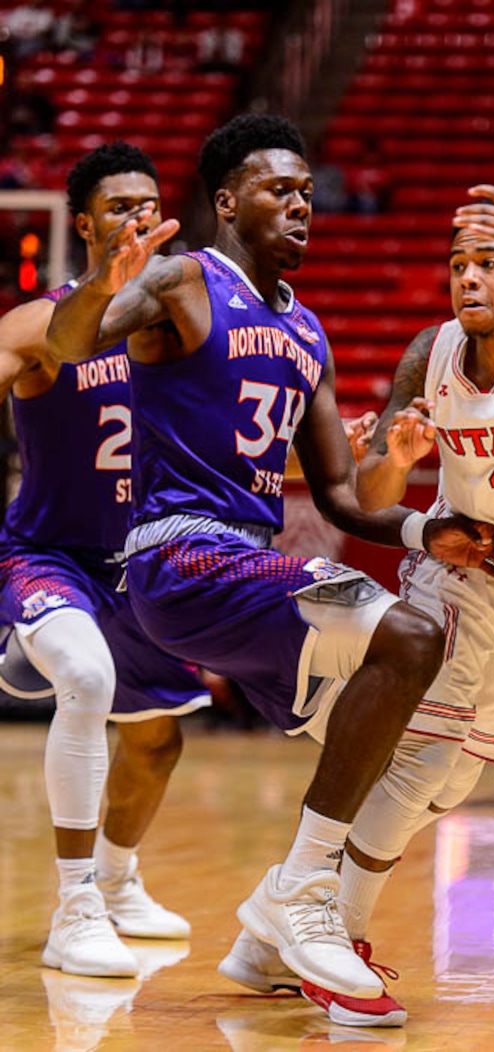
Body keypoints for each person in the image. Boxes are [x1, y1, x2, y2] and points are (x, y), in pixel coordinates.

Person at [45, 114, 494, 1011]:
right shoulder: (183, 283)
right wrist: (110, 280)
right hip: (178, 554)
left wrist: (422, 528)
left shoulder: (309, 335)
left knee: (415, 745)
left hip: (244, 568)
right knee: (408, 639)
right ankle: (302, 894)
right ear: (226, 203)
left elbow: (340, 496)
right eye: (278, 189)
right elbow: (71, 346)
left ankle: (268, 940)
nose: (301, 204)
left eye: (306, 190)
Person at [247, 184, 494, 1026]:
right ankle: (326, 936)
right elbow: (376, 489)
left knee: (454, 780)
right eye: (457, 264)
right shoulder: (431, 352)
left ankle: (267, 939)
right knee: (420, 764)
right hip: (458, 573)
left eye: (489, 262)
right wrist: (404, 453)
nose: (467, 277)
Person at [0, 142, 213, 979]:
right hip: (49, 555)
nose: (137, 216)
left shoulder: (182, 332)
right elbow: (56, 338)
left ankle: (121, 883)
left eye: (148, 202)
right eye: (119, 205)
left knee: (157, 741)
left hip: (142, 567)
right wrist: (101, 287)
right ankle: (74, 906)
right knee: (86, 681)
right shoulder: (37, 323)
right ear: (83, 224)